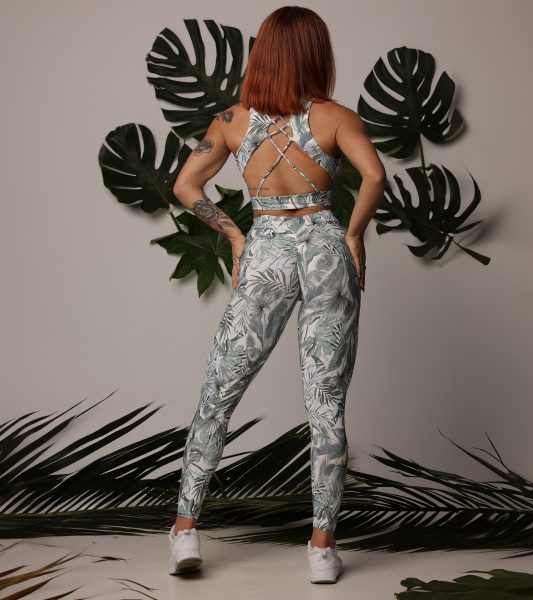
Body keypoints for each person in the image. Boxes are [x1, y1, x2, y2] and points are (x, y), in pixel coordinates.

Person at [167, 5, 385, 583]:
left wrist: (236, 235)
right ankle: (321, 548)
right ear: (317, 53)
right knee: (325, 402)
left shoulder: (231, 121)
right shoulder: (336, 117)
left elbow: (185, 185)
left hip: (265, 249)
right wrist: (354, 235)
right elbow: (375, 177)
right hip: (324, 252)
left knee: (219, 391)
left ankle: (184, 533)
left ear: (261, 53)